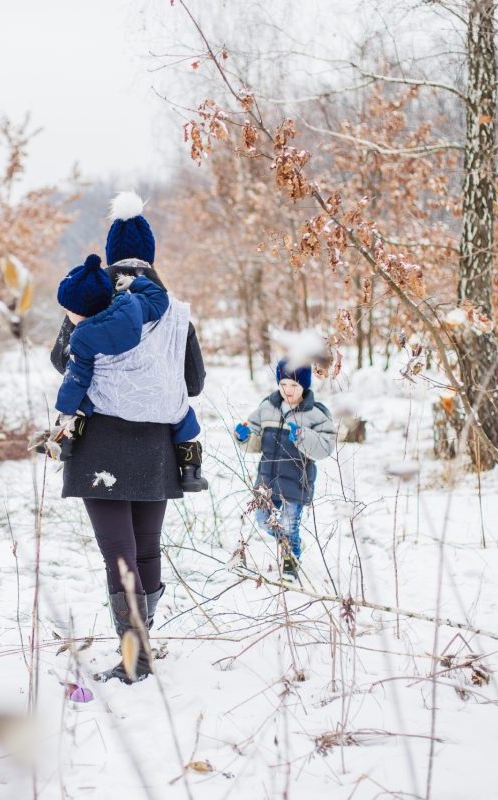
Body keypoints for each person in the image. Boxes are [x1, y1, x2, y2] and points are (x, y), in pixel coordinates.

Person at [49, 191, 206, 683]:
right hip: (157, 445)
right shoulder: (176, 311)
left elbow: (62, 359)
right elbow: (195, 382)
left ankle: (134, 654)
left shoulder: (96, 300)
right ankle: (139, 645)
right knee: (145, 549)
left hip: (101, 446)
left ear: (112, 255)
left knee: (118, 553)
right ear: (152, 256)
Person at [52, 253, 207, 492]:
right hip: (159, 431)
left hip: (103, 435)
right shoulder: (150, 309)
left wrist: (66, 410)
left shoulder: (87, 326)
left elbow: (70, 372)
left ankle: (65, 438)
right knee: (182, 412)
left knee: (81, 400)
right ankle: (190, 466)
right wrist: (136, 283)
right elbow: (194, 386)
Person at [235, 358, 336, 581]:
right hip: (267, 481)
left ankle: (291, 564)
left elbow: (326, 447)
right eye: (283, 385)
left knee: (289, 526)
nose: (288, 391)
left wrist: (302, 436)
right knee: (263, 521)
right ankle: (292, 541)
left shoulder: (316, 414)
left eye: (294, 386)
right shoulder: (267, 407)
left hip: (296, 482)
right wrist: (244, 437)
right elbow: (255, 438)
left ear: (305, 386)